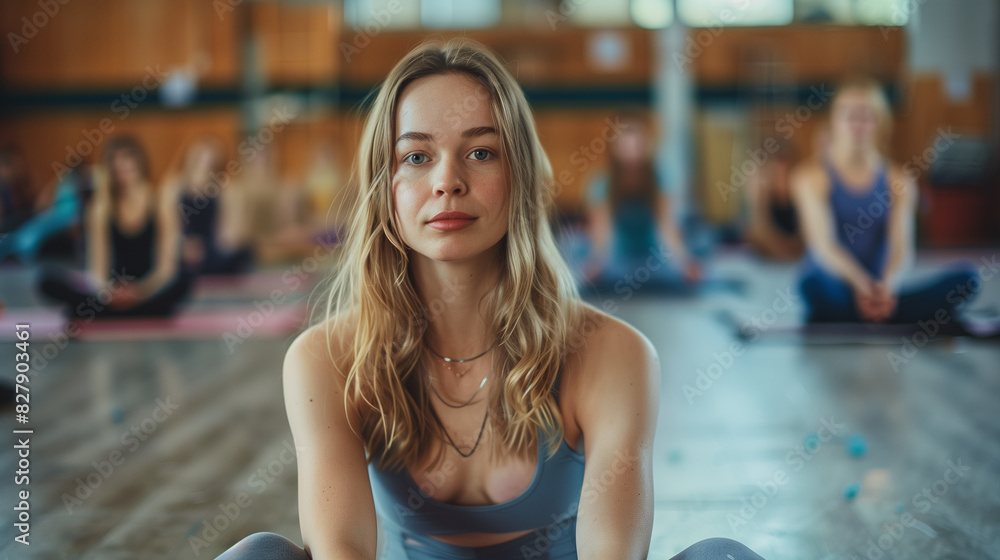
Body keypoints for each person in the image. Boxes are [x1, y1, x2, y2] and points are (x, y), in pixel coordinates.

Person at [215, 39, 765, 560]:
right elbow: (341, 551)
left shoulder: (613, 355)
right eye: (416, 157)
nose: (447, 181)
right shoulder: (326, 360)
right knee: (262, 553)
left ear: (519, 175)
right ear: (385, 185)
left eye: (480, 152)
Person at [792, 78, 978, 325]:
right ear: (834, 122)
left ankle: (873, 311)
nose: (857, 124)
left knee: (967, 278)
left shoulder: (899, 181)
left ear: (880, 123)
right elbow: (823, 246)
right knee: (810, 285)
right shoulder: (810, 177)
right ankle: (886, 313)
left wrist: (887, 287)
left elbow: (901, 248)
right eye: (850, 116)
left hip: (880, 287)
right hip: (836, 284)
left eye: (866, 116)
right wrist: (862, 285)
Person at [34, 135, 194, 320]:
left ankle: (107, 313)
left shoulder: (160, 204)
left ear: (141, 162)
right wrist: (108, 292)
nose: (122, 166)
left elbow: (166, 268)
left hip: (149, 290)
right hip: (112, 293)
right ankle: (137, 312)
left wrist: (139, 292)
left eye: (128, 158)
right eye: (116, 161)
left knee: (185, 280)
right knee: (46, 280)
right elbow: (97, 270)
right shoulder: (100, 209)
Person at [576, 109, 702, 294]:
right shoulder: (601, 184)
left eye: (636, 138)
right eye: (625, 138)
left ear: (646, 144)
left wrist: (684, 264)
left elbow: (666, 227)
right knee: (579, 259)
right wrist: (595, 264)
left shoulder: (662, 178)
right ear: (614, 146)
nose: (631, 145)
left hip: (652, 253)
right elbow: (602, 232)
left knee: (691, 258)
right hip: (618, 254)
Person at [171, 135, 254, 276]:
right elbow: (168, 227)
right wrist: (183, 245)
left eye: (210, 160)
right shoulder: (174, 186)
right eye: (200, 158)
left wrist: (226, 243)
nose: (204, 164)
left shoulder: (224, 188)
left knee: (243, 253)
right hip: (182, 246)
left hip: (211, 247)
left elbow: (229, 230)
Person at [744, 137, 803, 261]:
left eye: (786, 168)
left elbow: (809, 230)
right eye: (778, 168)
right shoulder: (762, 191)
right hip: (770, 255)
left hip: (796, 254)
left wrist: (794, 245)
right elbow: (757, 228)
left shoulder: (801, 186)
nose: (782, 173)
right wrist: (776, 247)